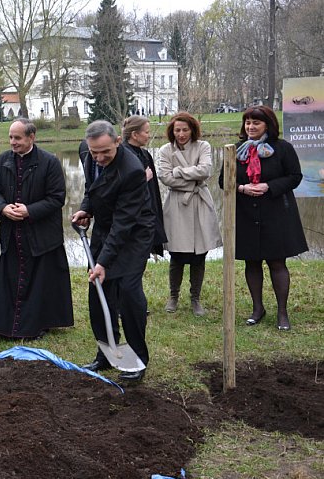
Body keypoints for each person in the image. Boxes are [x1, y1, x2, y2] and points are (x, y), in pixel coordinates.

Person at [71, 120, 155, 383]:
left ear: (118, 141)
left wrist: (103, 262)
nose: (99, 157)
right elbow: (92, 188)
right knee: (99, 292)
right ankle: (106, 353)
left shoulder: (131, 170)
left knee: (128, 292)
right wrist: (87, 209)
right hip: (105, 229)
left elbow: (123, 223)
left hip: (134, 231)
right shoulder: (88, 153)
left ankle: (138, 359)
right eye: (95, 152)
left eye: (105, 152)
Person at [218, 105, 308, 330]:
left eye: (255, 123)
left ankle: (282, 313)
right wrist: (242, 188)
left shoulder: (283, 148)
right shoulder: (236, 150)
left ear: (268, 124)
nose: (250, 127)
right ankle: (257, 308)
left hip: (276, 212)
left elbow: (295, 177)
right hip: (247, 213)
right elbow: (223, 181)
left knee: (277, 262)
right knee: (252, 262)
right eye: (248, 122)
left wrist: (269, 186)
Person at [0, 118, 73, 339]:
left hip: (40, 233)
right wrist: (3, 208)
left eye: (17, 138)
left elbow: (57, 198)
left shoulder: (49, 162)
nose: (12, 142)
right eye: (10, 137)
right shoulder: (4, 159)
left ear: (31, 137)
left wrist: (29, 211)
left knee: (38, 281)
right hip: (11, 232)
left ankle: (38, 324)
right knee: (10, 279)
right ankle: (4, 325)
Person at [157, 112, 222, 316]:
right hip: (177, 205)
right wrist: (190, 176)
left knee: (199, 255)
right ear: (172, 131)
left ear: (192, 130)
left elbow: (206, 170)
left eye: (185, 129)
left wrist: (179, 172)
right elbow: (165, 178)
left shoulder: (203, 146)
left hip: (199, 203)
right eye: (177, 130)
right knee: (176, 255)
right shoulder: (165, 150)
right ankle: (173, 296)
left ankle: (196, 299)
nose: (182, 134)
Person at [120, 115, 167, 257]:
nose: (149, 135)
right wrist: (141, 179)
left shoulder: (145, 155)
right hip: (133, 221)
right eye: (146, 132)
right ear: (135, 134)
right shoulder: (122, 155)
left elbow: (154, 193)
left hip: (147, 219)